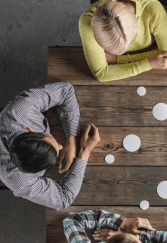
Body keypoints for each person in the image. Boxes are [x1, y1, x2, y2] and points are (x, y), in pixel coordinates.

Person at [0, 82, 100, 211]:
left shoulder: (21, 109)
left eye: (54, 142)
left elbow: (66, 90)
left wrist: (71, 140)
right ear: (33, 172)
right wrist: (84, 152)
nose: (60, 146)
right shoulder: (19, 181)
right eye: (59, 146)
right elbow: (63, 200)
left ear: (30, 130)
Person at [79, 0, 167, 82]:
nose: (125, 51)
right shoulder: (87, 21)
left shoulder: (152, 9)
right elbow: (101, 74)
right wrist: (149, 64)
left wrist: (117, 60)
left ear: (136, 23)